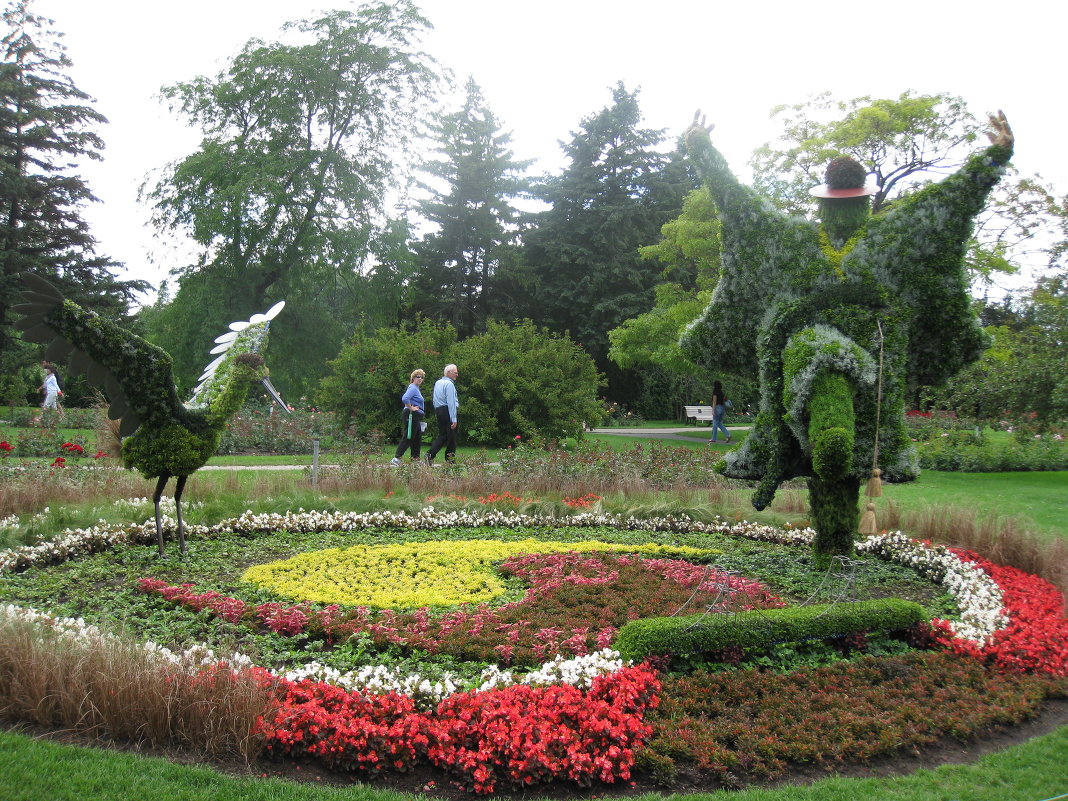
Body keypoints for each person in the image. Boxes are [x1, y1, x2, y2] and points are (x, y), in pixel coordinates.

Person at [425, 363, 459, 465]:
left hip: (439, 410)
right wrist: (454, 419)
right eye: (455, 373)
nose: (457, 375)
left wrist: (437, 412)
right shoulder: (449, 384)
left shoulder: (438, 383)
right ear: (448, 372)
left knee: (443, 435)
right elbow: (451, 402)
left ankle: (430, 454)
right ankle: (450, 460)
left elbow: (435, 399)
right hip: (448, 411)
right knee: (452, 436)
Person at [391, 369, 426, 464]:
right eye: (418, 377)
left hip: (416, 416)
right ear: (413, 378)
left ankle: (415, 459)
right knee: (408, 436)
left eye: (421, 377)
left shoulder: (416, 388)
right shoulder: (413, 387)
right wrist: (411, 408)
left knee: (417, 437)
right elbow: (405, 398)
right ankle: (397, 458)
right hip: (411, 415)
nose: (420, 379)